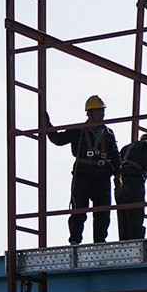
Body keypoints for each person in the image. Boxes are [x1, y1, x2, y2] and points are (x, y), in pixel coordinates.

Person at [45, 95, 119, 244]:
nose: (102, 114)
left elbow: (115, 157)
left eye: (102, 111)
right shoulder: (78, 130)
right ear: (89, 113)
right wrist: (46, 124)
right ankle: (75, 241)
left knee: (102, 213)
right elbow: (58, 139)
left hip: (102, 177)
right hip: (83, 175)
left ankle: (100, 243)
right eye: (98, 111)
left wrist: (119, 176)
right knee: (79, 210)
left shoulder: (108, 134)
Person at [115, 130, 147, 240]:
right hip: (134, 183)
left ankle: (124, 244)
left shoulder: (126, 148)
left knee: (123, 219)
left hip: (120, 187)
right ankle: (136, 244)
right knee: (135, 216)